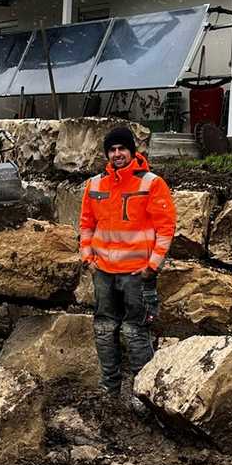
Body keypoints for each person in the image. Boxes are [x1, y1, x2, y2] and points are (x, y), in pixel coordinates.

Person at [79, 126, 176, 408]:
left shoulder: (151, 183)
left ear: (132, 151)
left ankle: (142, 395)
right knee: (104, 329)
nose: (117, 154)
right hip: (104, 273)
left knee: (135, 331)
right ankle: (109, 391)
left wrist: (152, 265)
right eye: (112, 149)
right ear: (107, 154)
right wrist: (88, 258)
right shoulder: (95, 184)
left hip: (137, 273)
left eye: (122, 148)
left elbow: (166, 227)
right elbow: (86, 224)